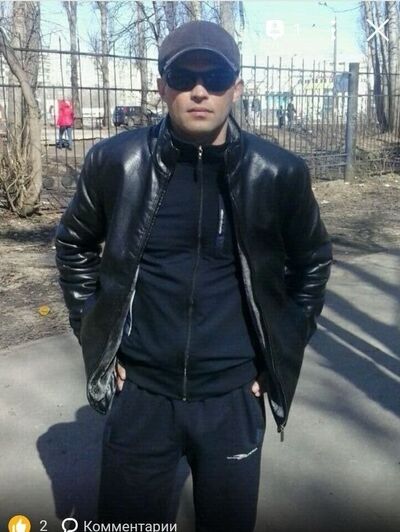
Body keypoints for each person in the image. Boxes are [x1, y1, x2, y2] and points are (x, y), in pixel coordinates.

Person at [55, 20, 332, 531]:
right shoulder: (116, 162)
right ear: (162, 87)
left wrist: (281, 350)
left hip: (233, 398)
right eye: (184, 76)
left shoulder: (279, 173)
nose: (200, 90)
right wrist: (95, 334)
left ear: (237, 87)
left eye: (216, 76)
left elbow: (312, 261)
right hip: (141, 395)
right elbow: (73, 244)